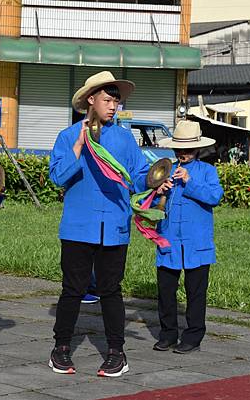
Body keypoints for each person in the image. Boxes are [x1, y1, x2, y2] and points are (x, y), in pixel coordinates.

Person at [48, 71, 166, 377]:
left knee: (111, 291)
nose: (113, 106)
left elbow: (139, 176)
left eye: (116, 100)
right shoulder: (68, 135)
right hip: (78, 226)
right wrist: (78, 145)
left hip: (114, 227)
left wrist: (157, 182)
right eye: (107, 99)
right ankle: (60, 349)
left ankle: (116, 352)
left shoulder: (125, 138)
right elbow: (57, 177)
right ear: (91, 100)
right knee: (72, 290)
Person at [153, 121, 223, 354]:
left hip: (197, 242)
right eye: (179, 149)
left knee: (196, 292)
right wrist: (158, 192)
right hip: (169, 240)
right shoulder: (165, 169)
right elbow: (151, 204)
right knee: (165, 290)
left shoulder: (207, 171)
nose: (183, 153)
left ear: (198, 149)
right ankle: (168, 334)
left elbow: (215, 196)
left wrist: (189, 181)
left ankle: (193, 336)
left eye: (189, 149)